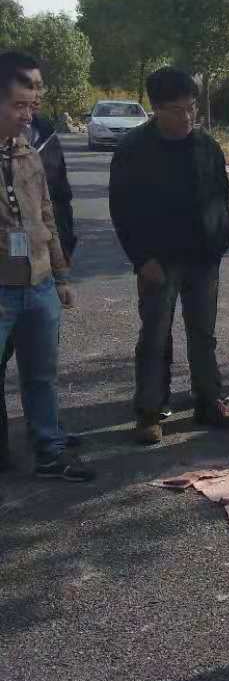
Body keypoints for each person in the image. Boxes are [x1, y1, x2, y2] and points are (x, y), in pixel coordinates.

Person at [109, 66, 229, 445]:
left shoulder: (206, 146)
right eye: (177, 110)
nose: (187, 116)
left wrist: (221, 238)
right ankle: (149, 411)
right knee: (155, 336)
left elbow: (222, 195)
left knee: (204, 334)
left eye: (191, 108)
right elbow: (122, 209)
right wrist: (141, 259)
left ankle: (209, 400)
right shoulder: (134, 150)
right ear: (156, 108)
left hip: (204, 258)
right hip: (157, 261)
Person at [0, 61, 90, 481]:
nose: (28, 114)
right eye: (19, 105)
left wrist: (61, 275)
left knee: (40, 376)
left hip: (38, 285)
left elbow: (47, 216)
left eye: (31, 104)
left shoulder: (27, 154)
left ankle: (50, 451)